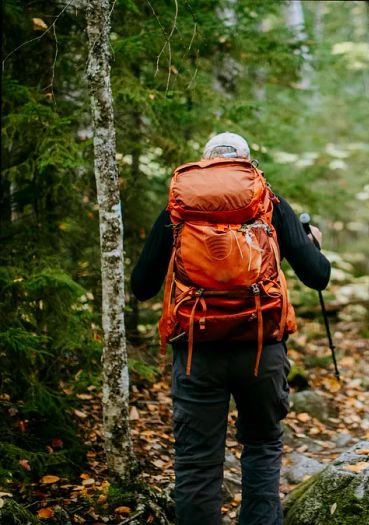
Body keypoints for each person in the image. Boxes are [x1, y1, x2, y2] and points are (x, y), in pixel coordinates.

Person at [131, 132, 331, 525]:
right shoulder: (269, 203)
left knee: (197, 460)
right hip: (261, 347)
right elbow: (318, 277)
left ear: (205, 163)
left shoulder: (178, 209)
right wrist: (313, 246)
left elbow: (141, 287)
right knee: (261, 444)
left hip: (196, 351)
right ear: (247, 164)